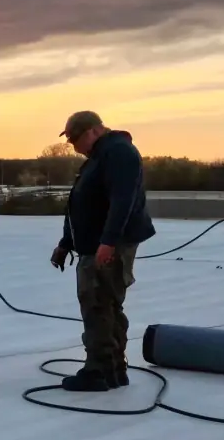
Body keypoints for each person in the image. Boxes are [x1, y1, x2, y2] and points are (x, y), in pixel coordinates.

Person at [50, 111, 156, 391]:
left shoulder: (119, 153)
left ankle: (99, 371)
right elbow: (80, 204)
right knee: (105, 305)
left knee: (98, 305)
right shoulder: (99, 157)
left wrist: (108, 242)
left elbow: (123, 200)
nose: (73, 146)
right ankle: (113, 370)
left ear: (93, 131)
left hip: (107, 246)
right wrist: (66, 243)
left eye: (75, 139)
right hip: (94, 245)